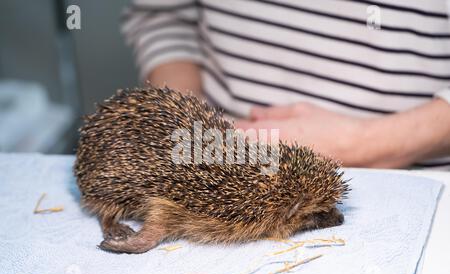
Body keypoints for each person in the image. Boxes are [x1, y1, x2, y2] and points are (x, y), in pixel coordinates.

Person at [122, 0, 450, 169]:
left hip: (423, 173)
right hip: (226, 153)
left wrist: (361, 144)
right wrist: (189, 127)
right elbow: (165, 16)